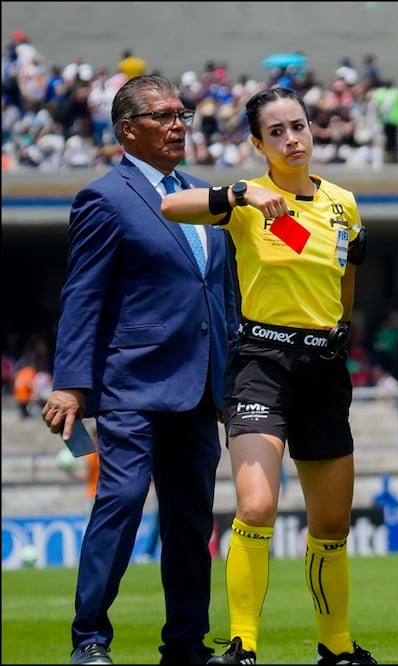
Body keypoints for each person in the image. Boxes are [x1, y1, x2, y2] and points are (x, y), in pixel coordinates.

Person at [160, 86, 373, 665]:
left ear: (312, 129)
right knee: (255, 507)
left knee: (331, 524)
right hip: (262, 365)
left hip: (326, 370)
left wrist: (342, 329)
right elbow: (170, 208)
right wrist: (241, 192)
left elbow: (346, 274)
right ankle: (242, 645)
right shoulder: (246, 201)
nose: (291, 139)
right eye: (275, 132)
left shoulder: (344, 204)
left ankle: (335, 646)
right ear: (258, 143)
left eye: (298, 126)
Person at [40, 74, 237, 666]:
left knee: (190, 521)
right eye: (165, 116)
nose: (180, 125)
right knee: (121, 501)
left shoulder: (206, 194)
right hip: (134, 384)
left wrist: (236, 372)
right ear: (129, 130)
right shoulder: (105, 197)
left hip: (202, 385)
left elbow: (221, 291)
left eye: (184, 113)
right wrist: (72, 384)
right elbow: (83, 296)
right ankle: (90, 639)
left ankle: (184, 645)